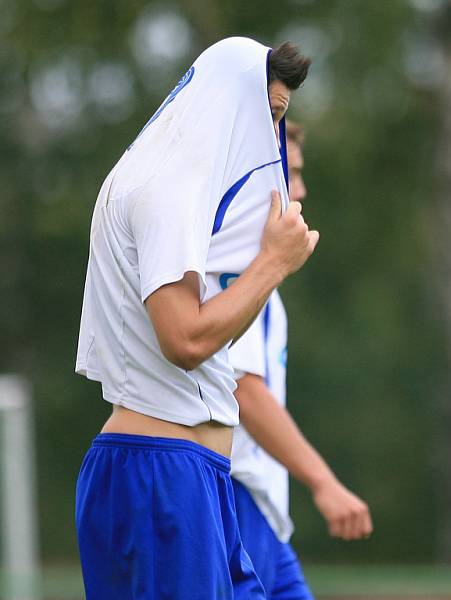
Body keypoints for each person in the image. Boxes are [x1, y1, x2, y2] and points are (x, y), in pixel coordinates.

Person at [74, 38, 315, 600]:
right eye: (271, 117)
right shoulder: (166, 187)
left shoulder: (168, 182)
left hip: (192, 474)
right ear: (230, 104)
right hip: (161, 475)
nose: (272, 142)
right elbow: (183, 338)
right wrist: (273, 263)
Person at [228, 122, 372, 600]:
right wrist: (323, 482)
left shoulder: (264, 280)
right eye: (293, 174)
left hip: (265, 517)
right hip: (238, 502)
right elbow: (244, 390)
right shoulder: (243, 270)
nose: (303, 189)